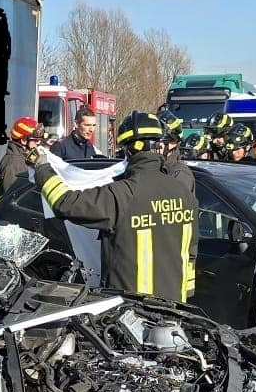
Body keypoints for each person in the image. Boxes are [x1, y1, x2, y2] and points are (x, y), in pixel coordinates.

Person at [26, 110, 197, 303]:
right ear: (159, 146)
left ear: (127, 150)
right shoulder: (183, 191)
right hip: (175, 305)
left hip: (134, 308)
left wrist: (42, 169)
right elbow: (191, 251)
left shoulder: (122, 194)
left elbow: (65, 203)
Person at [0, 117, 40, 202]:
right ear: (24, 140)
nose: (38, 143)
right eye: (35, 140)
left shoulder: (23, 159)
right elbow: (12, 200)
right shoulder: (14, 163)